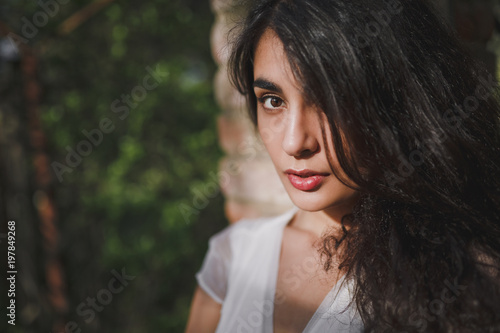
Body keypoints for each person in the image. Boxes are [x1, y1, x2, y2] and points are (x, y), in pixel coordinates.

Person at [185, 0, 500, 331]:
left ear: (397, 104)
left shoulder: (467, 278)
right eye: (273, 101)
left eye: (328, 101)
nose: (295, 142)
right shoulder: (233, 256)